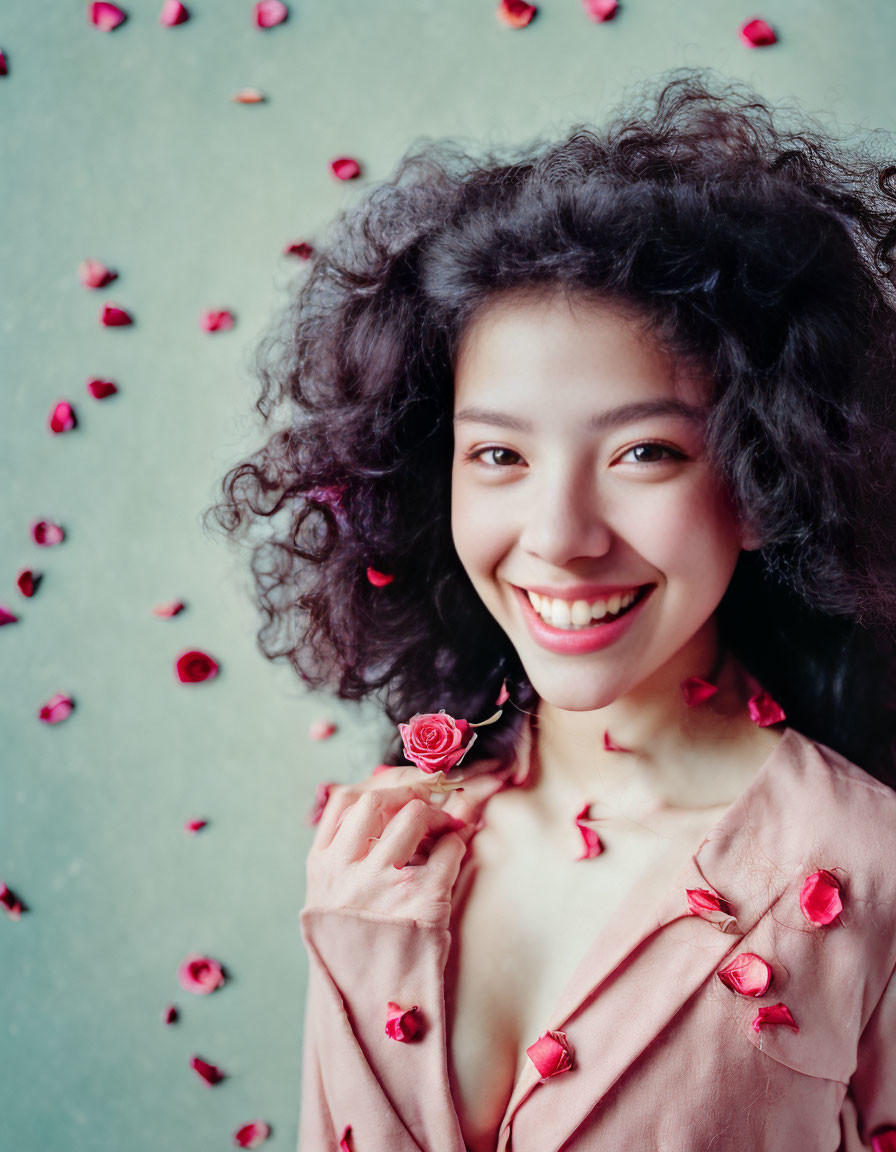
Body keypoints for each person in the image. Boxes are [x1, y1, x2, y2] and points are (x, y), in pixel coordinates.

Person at [210, 67, 896, 1151]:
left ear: (765, 480)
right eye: (497, 455)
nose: (557, 535)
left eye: (642, 452)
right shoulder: (379, 858)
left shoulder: (872, 870)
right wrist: (356, 942)